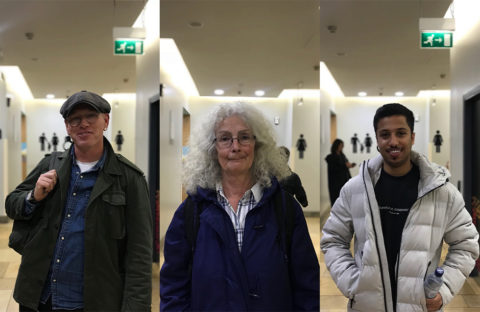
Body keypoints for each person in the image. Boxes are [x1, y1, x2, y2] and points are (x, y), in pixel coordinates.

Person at [160, 102, 319, 311]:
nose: (235, 147)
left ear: (257, 144)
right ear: (212, 147)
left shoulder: (286, 209)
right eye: (225, 138)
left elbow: (307, 288)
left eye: (244, 137)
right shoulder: (191, 212)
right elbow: (173, 289)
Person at [320, 103, 479, 312]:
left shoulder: (442, 192)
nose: (393, 141)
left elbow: (466, 245)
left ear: (412, 137)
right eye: (385, 134)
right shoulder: (355, 190)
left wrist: (443, 290)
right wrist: (353, 284)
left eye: (401, 133)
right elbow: (333, 240)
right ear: (377, 139)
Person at [5, 91, 153, 311]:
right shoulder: (50, 164)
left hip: (93, 301)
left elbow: (139, 254)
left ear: (106, 121)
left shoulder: (129, 178)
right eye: (75, 119)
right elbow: (11, 204)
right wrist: (33, 197)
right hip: (40, 297)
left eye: (91, 116)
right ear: (67, 127)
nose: (83, 123)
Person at [325, 139, 356, 206]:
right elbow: (334, 169)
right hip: (335, 183)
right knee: (336, 199)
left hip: (344, 180)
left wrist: (350, 165)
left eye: (342, 146)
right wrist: (345, 166)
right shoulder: (331, 157)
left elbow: (346, 164)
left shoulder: (342, 155)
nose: (342, 147)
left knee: (345, 200)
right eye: (341, 145)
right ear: (336, 146)